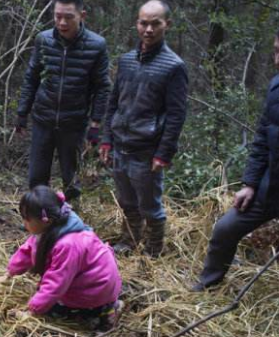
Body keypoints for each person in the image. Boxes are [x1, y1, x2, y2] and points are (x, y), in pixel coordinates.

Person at [191, 26, 279, 292]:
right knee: (225, 229)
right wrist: (250, 184)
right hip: (268, 189)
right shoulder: (276, 87)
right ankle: (207, 288)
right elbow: (262, 140)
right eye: (277, 52)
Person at [100, 0, 188, 257]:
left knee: (150, 206)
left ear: (166, 25)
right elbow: (113, 102)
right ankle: (129, 242)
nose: (148, 29)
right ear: (137, 23)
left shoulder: (174, 66)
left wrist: (163, 153)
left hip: (147, 150)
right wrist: (107, 139)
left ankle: (153, 252)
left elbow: (176, 115)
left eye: (155, 23)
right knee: (127, 202)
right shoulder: (126, 61)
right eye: (143, 23)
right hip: (120, 145)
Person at [15, 0, 111, 201]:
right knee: (36, 177)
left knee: (71, 178)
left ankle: (70, 221)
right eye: (58, 16)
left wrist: (95, 123)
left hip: (74, 122)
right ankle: (39, 219)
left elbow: (102, 87)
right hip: (43, 119)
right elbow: (31, 77)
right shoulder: (44, 40)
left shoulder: (97, 45)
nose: (62, 22)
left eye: (68, 17)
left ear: (82, 15)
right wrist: (22, 113)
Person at [0, 186, 122, 331]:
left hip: (96, 289)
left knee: (53, 311)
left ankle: (106, 310)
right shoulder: (51, 227)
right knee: (46, 299)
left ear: (45, 220)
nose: (24, 223)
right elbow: (28, 250)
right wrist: (8, 274)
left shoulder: (68, 245)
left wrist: (32, 311)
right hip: (88, 282)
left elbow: (56, 283)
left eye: (27, 219)